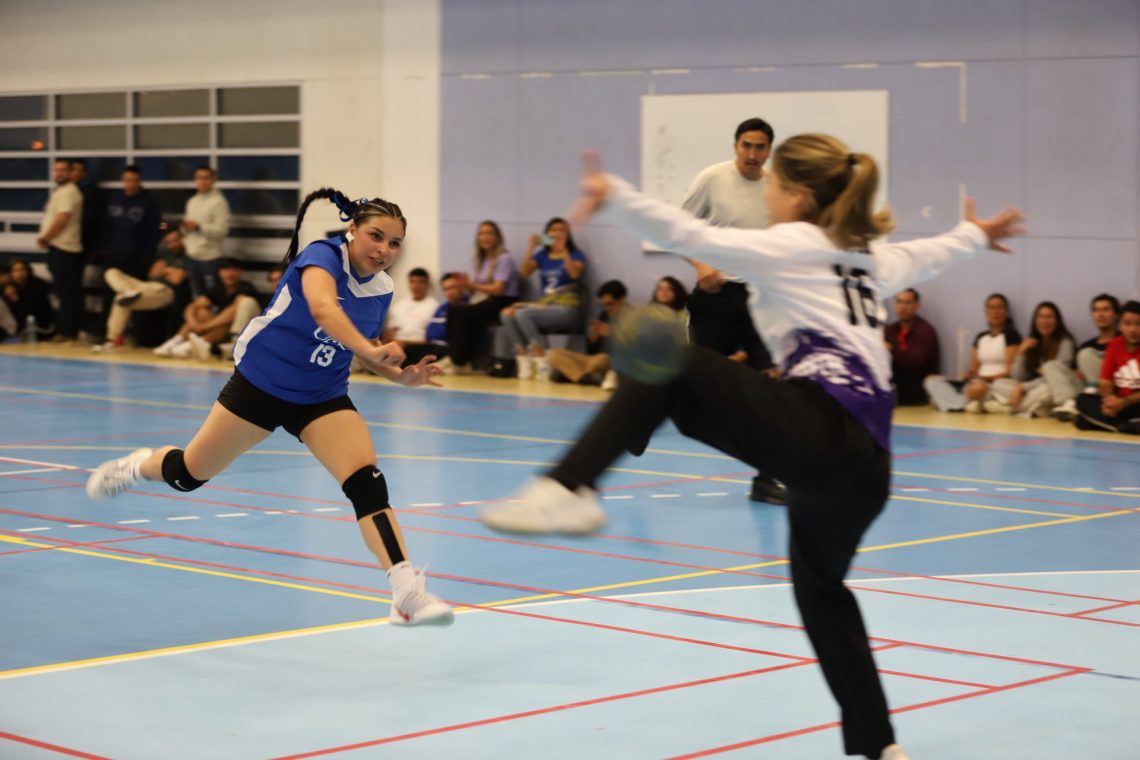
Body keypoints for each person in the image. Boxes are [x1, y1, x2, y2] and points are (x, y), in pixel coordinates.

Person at [481, 139, 1025, 760]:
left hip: (821, 430)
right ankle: (881, 746)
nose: (763, 191)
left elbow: (690, 234)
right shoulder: (867, 257)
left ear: (797, 197)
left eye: (771, 183)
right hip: (869, 467)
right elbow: (931, 254)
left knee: (673, 358)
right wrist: (976, 235)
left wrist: (617, 196)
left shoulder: (792, 244)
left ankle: (568, 487)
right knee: (821, 592)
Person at [86, 187, 453, 627]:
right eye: (376, 236)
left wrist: (401, 376)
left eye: (395, 243)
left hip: (321, 395)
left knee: (367, 485)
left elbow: (364, 346)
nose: (384, 250)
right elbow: (324, 310)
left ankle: (406, 593)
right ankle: (136, 467)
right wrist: (373, 352)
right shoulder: (322, 256)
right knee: (187, 475)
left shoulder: (382, 288)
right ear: (352, 231)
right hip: (261, 384)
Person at [682, 117, 784, 505]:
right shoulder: (712, 179)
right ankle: (639, 420)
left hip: (761, 300)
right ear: (735, 146)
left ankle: (766, 479)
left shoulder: (776, 187)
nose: (752, 154)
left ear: (769, 151)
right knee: (692, 384)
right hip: (717, 295)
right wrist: (701, 265)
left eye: (760, 147)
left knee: (776, 390)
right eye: (747, 145)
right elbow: (677, 231)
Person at [499, 217, 587, 380]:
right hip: (544, 307)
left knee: (523, 314)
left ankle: (542, 358)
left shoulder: (576, 254)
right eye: (553, 230)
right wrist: (531, 247)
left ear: (568, 235)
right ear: (547, 234)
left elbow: (575, 274)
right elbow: (524, 273)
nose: (557, 233)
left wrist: (564, 251)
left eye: (562, 230)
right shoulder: (542, 255)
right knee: (507, 314)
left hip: (567, 309)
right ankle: (523, 357)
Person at [440, 220, 519, 374]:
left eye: (490, 233)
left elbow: (498, 289)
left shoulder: (504, 258)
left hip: (503, 302)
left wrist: (471, 285)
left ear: (497, 237)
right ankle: (456, 358)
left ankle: (459, 361)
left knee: (462, 313)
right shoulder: (480, 260)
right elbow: (478, 290)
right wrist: (464, 286)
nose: (486, 237)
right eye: (482, 234)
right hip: (486, 301)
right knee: (454, 310)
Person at [94, 229, 191, 353]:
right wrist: (169, 271)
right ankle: (128, 291)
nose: (172, 245)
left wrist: (164, 269)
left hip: (165, 291)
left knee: (121, 299)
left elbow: (177, 279)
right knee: (111, 272)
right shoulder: (164, 255)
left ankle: (111, 340)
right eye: (169, 242)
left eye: (175, 241)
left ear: (183, 239)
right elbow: (152, 274)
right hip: (146, 286)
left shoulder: (188, 257)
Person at [923, 293, 1021, 413]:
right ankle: (967, 403)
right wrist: (969, 375)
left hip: (995, 384)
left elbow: (1010, 372)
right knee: (931, 381)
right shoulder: (980, 337)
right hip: (976, 381)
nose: (995, 312)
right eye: (991, 308)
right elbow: (974, 369)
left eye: (999, 308)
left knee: (979, 388)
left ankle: (952, 402)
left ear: (1006, 311)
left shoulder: (1011, 335)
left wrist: (984, 378)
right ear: (986, 311)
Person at [154, 257, 260, 360]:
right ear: (219, 273)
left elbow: (232, 312)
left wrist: (205, 327)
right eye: (226, 270)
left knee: (224, 324)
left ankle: (190, 345)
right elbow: (193, 306)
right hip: (219, 328)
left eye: (234, 270)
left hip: (240, 330)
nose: (229, 274)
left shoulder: (246, 288)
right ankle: (177, 340)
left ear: (241, 272)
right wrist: (193, 323)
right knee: (201, 312)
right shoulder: (218, 288)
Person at [987, 301, 1075, 416]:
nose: (1045, 321)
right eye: (1041, 317)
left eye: (1050, 317)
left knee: (1046, 388)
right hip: (1033, 389)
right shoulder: (1032, 342)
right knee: (998, 384)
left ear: (1057, 321)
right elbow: (1017, 377)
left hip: (1054, 387)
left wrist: (1023, 387)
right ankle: (1033, 409)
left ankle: (1011, 409)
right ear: (1035, 321)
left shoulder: (1065, 342)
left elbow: (1056, 377)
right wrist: (1021, 352)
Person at [547, 279, 631, 389]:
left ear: (622, 299)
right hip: (592, 361)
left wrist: (611, 333)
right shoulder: (604, 315)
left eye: (610, 304)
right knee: (555, 354)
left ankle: (570, 375)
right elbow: (591, 352)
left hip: (610, 362)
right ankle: (583, 378)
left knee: (602, 359)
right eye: (603, 305)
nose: (606, 308)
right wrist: (593, 339)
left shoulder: (633, 317)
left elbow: (632, 350)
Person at [1049, 294, 1121, 421]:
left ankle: (1087, 403)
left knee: (1086, 354)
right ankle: (1070, 402)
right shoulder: (1086, 345)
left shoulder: (1123, 342)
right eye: (1096, 310)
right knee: (1051, 366)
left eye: (1105, 310)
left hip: (1112, 390)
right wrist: (1078, 372)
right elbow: (1074, 372)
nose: (1100, 314)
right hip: (1086, 388)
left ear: (1116, 315)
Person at [1075, 300, 1140, 435]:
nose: (1133, 330)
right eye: (1127, 324)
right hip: (1118, 405)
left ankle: (1105, 424)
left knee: (1083, 422)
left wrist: (1124, 402)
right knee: (1083, 399)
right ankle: (1122, 426)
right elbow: (1105, 382)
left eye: (1138, 324)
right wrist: (1109, 401)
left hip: (1134, 403)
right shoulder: (1115, 345)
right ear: (1120, 325)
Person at [37, 158, 84, 344]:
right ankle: (66, 331)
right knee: (63, 292)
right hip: (58, 248)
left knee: (67, 293)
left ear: (71, 172)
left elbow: (62, 219)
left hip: (65, 249)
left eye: (63, 170)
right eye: (56, 170)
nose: (59, 173)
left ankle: (69, 332)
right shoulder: (61, 191)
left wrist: (46, 238)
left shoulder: (69, 192)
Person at [181, 165, 232, 298]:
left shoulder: (219, 202)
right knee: (197, 297)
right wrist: (184, 228)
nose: (202, 182)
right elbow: (187, 228)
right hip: (191, 256)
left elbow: (222, 231)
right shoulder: (192, 201)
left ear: (213, 180)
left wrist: (199, 226)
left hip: (210, 259)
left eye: (206, 178)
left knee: (211, 299)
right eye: (199, 178)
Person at [102, 165, 161, 280]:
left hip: (137, 258)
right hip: (113, 255)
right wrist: (104, 248)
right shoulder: (113, 199)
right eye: (128, 180)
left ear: (139, 181)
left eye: (134, 180)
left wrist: (149, 253)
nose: (131, 184)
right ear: (122, 180)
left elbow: (160, 226)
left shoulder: (149, 202)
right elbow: (106, 225)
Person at [884, 288, 940, 405]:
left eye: (908, 302)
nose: (903, 307)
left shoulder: (925, 331)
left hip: (918, 394)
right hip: (893, 390)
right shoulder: (890, 330)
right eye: (899, 302)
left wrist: (891, 349)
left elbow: (914, 363)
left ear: (917, 306)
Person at [381, 267, 440, 366]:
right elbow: (390, 332)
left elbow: (431, 340)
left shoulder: (434, 307)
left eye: (421, 282)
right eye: (413, 282)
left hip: (418, 347)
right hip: (397, 345)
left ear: (427, 285)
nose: (416, 286)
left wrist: (403, 343)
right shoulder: (399, 305)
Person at [2, 259, 55, 337]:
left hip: (37, 326)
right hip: (14, 325)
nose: (19, 273)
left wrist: (16, 299)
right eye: (15, 270)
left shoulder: (37, 286)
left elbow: (31, 312)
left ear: (28, 271)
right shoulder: (8, 286)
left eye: (22, 270)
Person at [70, 159, 105, 264]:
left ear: (85, 173)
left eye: (80, 170)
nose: (77, 173)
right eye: (74, 169)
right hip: (70, 241)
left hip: (87, 241)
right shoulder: (65, 190)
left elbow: (96, 219)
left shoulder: (92, 192)